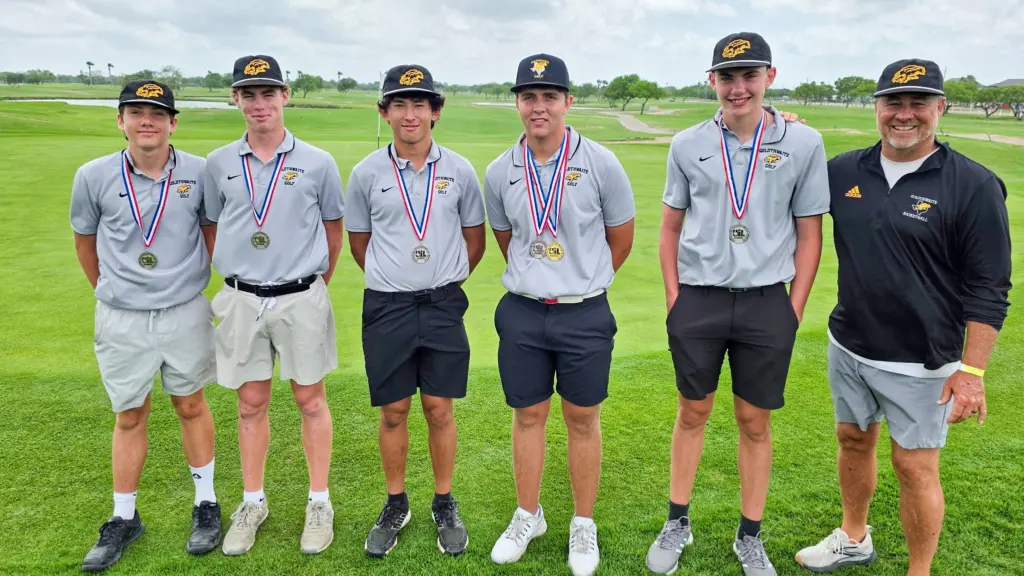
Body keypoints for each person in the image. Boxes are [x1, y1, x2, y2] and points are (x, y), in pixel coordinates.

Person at [794, 59, 1011, 576]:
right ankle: (854, 537)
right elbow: (786, 180)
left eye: (919, 103)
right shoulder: (844, 171)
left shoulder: (973, 185)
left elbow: (989, 288)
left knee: (914, 466)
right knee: (852, 440)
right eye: (893, 102)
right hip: (849, 345)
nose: (904, 114)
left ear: (940, 108)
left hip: (923, 359)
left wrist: (973, 371)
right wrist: (786, 131)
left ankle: (919, 571)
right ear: (877, 107)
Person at [648, 32, 830, 576]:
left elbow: (810, 232)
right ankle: (677, 521)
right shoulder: (687, 144)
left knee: (754, 421)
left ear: (769, 77)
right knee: (692, 411)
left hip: (766, 303)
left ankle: (749, 536)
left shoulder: (803, 142)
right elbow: (670, 227)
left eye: (749, 75)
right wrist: (675, 298)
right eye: (727, 77)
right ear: (712, 81)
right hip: (699, 300)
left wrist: (793, 308)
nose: (738, 87)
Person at [484, 53, 636, 576]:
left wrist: (580, 280)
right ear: (518, 104)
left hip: (584, 313)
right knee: (527, 416)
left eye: (550, 96)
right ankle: (529, 515)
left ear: (568, 101)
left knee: (582, 418)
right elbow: (507, 239)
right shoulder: (500, 170)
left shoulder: (600, 163)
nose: (539, 106)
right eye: (529, 96)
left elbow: (620, 239)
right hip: (524, 313)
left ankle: (582, 523)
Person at [71, 80, 221, 572]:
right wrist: (114, 290)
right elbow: (85, 243)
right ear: (121, 121)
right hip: (123, 317)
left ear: (173, 122)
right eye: (136, 112)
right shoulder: (93, 175)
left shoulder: (200, 171)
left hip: (184, 311)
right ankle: (123, 516)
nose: (147, 121)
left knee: (191, 404)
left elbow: (211, 234)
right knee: (129, 414)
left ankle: (206, 503)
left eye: (157, 113)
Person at [202, 55, 345, 556]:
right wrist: (241, 273)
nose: (259, 103)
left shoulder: (318, 161)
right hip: (242, 298)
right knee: (250, 403)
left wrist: (309, 285)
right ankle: (252, 502)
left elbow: (333, 231)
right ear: (235, 99)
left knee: (311, 400)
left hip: (300, 295)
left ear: (285, 95)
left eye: (268, 93)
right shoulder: (218, 163)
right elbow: (213, 227)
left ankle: (319, 502)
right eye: (248, 94)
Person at [344, 64, 485, 558]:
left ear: (435, 112)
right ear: (383, 112)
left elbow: (474, 240)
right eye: (399, 104)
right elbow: (359, 243)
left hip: (442, 304)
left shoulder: (460, 171)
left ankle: (444, 502)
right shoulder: (366, 173)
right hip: (388, 307)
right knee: (394, 411)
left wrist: (442, 281)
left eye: (419, 104)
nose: (410, 114)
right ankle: (396, 502)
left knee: (439, 408)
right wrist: (396, 279)